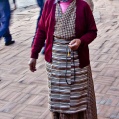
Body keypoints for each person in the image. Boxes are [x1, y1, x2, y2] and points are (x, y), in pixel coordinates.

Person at [29, 0, 98, 118]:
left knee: (78, 96)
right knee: (60, 97)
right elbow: (41, 30)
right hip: (56, 61)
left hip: (78, 61)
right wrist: (33, 55)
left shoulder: (83, 6)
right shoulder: (49, 4)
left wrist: (81, 41)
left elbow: (92, 31)